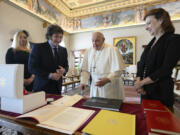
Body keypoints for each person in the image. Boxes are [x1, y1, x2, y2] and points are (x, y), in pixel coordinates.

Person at [134, 8, 180, 111]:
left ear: (161, 20)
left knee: (158, 124)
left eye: (149, 23)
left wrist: (141, 83)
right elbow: (141, 63)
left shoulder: (174, 40)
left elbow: (165, 69)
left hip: (160, 92)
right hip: (145, 91)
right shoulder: (152, 42)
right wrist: (139, 82)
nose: (146, 28)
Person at [80, 32, 125, 100]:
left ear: (103, 39)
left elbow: (118, 70)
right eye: (93, 41)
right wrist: (83, 81)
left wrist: (107, 79)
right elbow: (85, 69)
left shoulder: (112, 49)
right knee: (96, 106)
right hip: (95, 85)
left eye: (97, 40)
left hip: (110, 86)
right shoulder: (89, 51)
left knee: (110, 107)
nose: (94, 43)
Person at [28, 24, 69, 94]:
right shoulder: (38, 48)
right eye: (56, 36)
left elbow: (66, 66)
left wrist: (64, 70)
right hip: (42, 88)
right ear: (49, 36)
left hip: (57, 88)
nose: (59, 40)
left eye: (61, 37)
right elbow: (32, 68)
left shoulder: (63, 50)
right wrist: (49, 75)